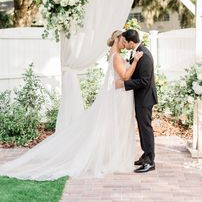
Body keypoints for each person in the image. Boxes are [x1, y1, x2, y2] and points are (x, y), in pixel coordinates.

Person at [0, 30, 143, 181]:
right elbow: (125, 76)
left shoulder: (116, 55)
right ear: (118, 39)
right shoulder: (116, 57)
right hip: (119, 96)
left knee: (117, 127)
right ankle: (114, 159)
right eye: (124, 40)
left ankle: (116, 157)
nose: (126, 44)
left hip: (121, 94)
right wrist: (135, 62)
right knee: (115, 127)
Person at [116, 29, 157, 173]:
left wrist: (124, 84)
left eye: (125, 42)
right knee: (142, 127)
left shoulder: (144, 54)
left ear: (131, 42)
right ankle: (145, 155)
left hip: (145, 98)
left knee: (145, 128)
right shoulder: (138, 52)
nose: (124, 44)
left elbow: (145, 81)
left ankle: (150, 161)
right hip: (141, 97)